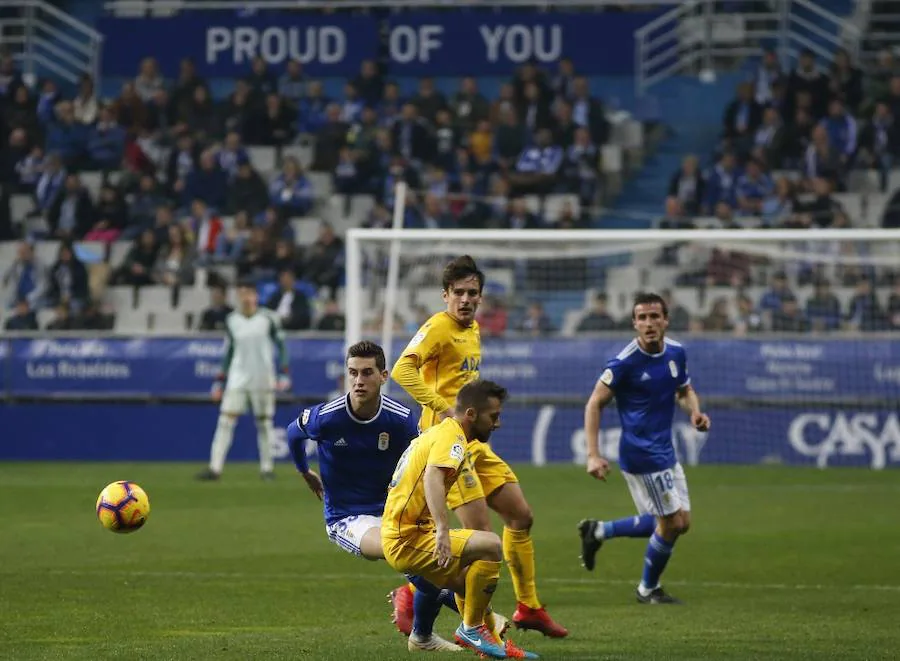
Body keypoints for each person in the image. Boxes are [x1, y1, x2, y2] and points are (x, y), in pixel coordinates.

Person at [389, 256, 567, 638]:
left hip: (473, 443)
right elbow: (403, 369)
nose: (466, 300)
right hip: (447, 444)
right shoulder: (438, 326)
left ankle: (529, 607)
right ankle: (447, 611)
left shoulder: (472, 331)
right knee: (480, 542)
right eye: (459, 293)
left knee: (520, 515)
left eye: (473, 293)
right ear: (445, 295)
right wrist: (441, 407)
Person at [285, 341, 462, 652]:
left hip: (394, 510)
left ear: (383, 376)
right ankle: (478, 616)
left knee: (436, 559)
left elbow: (421, 460)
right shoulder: (327, 417)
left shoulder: (403, 419)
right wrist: (304, 471)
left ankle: (422, 637)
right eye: (352, 373)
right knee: (406, 552)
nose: (358, 381)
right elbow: (292, 433)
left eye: (367, 373)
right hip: (347, 518)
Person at [382, 380, 538, 660]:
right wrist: (442, 529)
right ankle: (471, 628)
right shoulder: (451, 437)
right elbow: (433, 476)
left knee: (470, 581)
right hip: (407, 538)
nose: (497, 424)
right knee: (490, 545)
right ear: (471, 414)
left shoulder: (445, 433)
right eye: (494, 416)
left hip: (405, 534)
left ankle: (495, 648)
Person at [578, 292, 711, 604]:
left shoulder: (676, 352)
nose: (649, 323)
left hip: (666, 450)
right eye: (642, 318)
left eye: (655, 317)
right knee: (671, 522)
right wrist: (593, 454)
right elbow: (594, 402)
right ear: (634, 323)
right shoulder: (624, 363)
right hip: (642, 454)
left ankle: (598, 531)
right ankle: (647, 589)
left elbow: (684, 389)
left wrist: (694, 411)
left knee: (680, 522)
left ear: (665, 320)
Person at [197, 279, 290, 481]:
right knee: (225, 421)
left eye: (249, 293)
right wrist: (220, 380)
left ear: (256, 296)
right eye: (242, 294)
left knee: (264, 423)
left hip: (263, 378)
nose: (246, 298)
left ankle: (267, 469)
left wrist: (284, 372)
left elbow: (281, 346)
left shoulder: (269, 318)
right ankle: (215, 468)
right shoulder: (232, 320)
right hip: (238, 378)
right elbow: (229, 352)